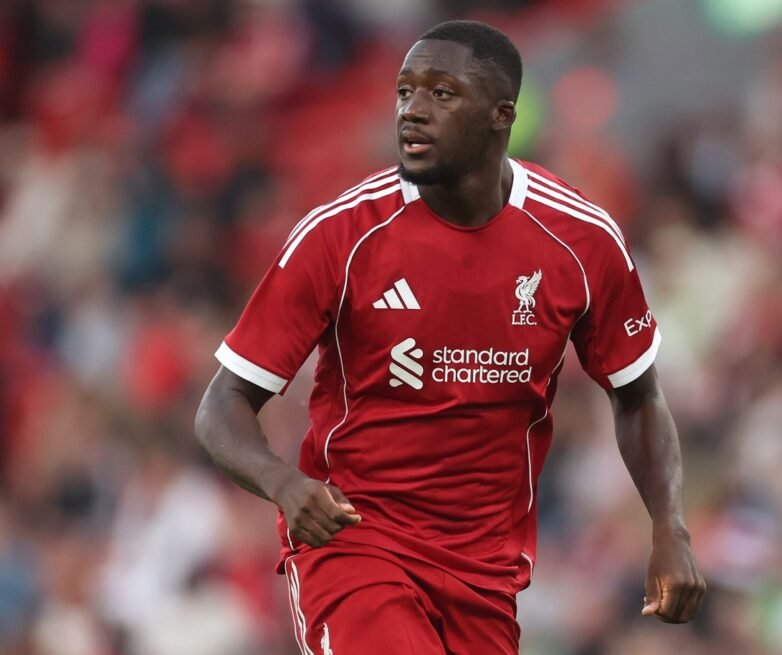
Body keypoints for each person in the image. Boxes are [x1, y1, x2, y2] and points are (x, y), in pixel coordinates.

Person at [195, 19, 706, 654]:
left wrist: (669, 527)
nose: (412, 110)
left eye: (441, 93)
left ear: (501, 115)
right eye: (405, 90)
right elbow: (222, 404)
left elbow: (637, 395)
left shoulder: (580, 240)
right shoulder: (343, 234)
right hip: (356, 546)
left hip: (487, 575)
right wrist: (284, 482)